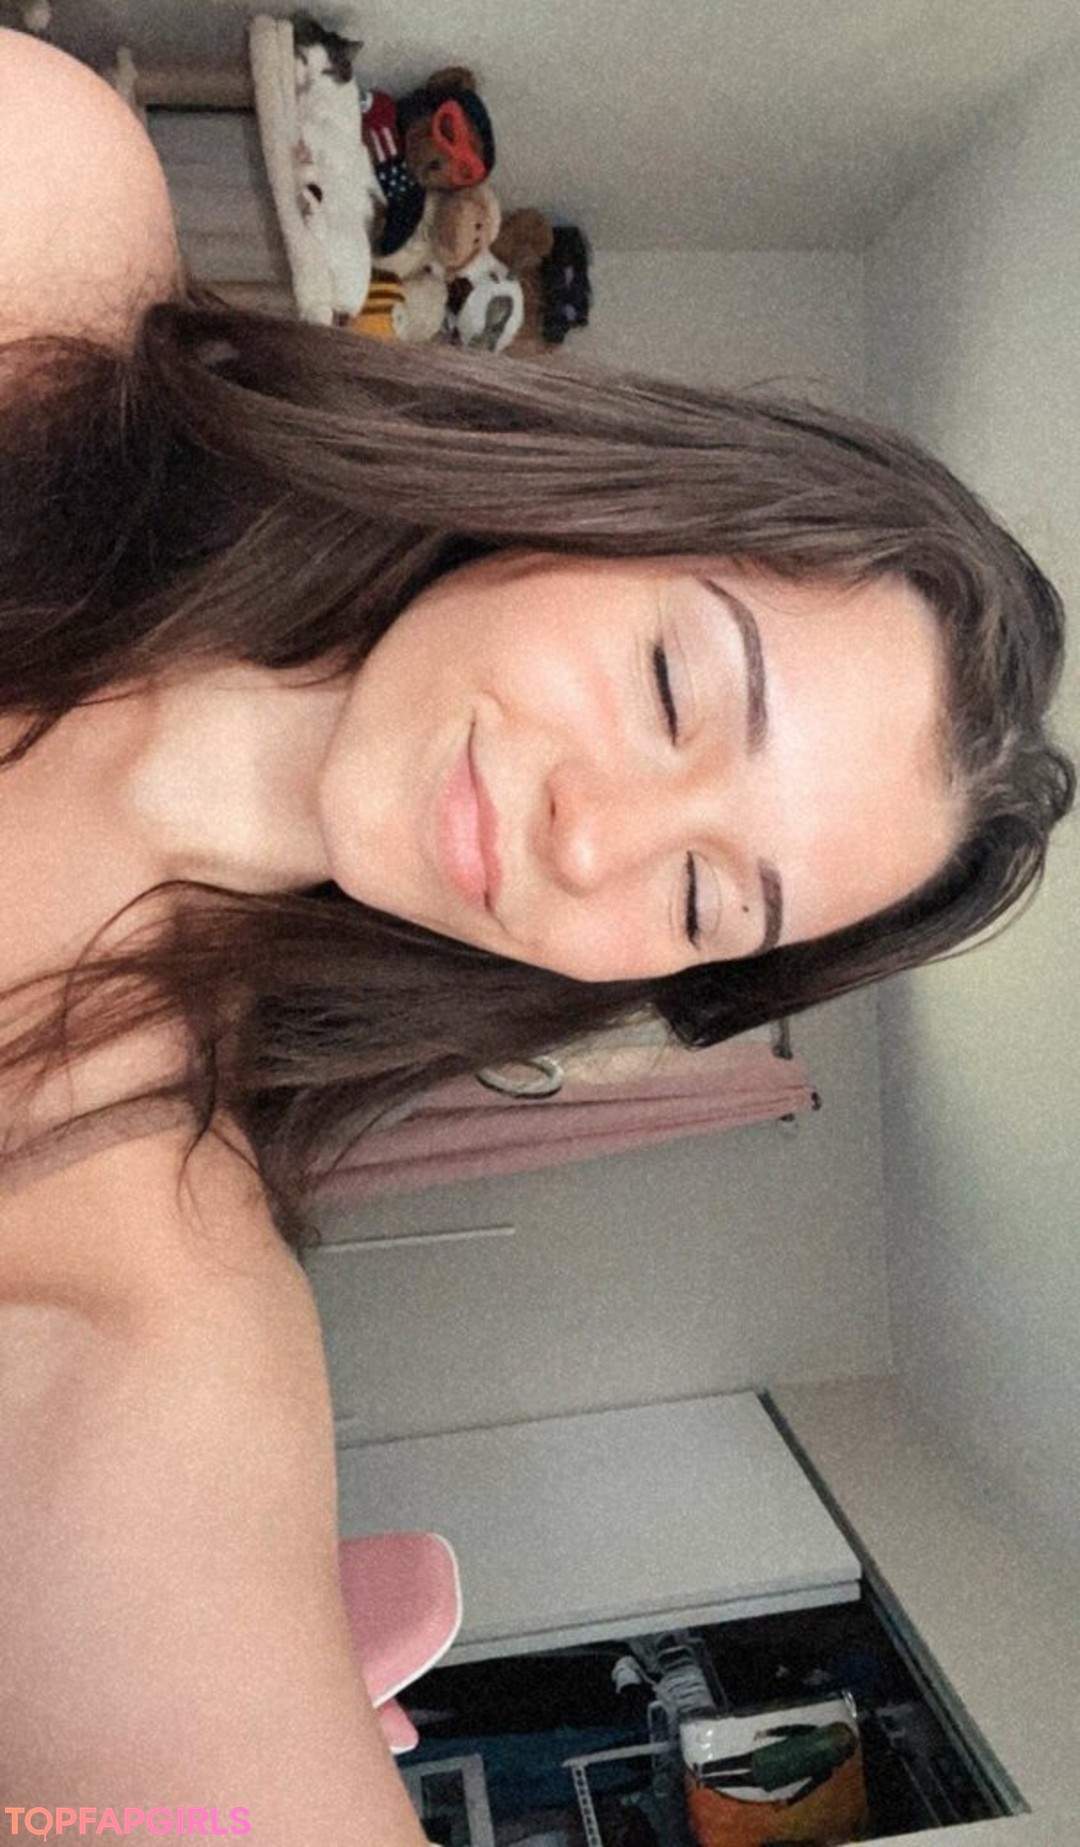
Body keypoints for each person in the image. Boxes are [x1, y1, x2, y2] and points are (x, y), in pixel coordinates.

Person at [0, 27, 1072, 1845]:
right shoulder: (48, 218)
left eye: (701, 901)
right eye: (670, 687)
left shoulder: (165, 1295)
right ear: (604, 501)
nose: (591, 836)